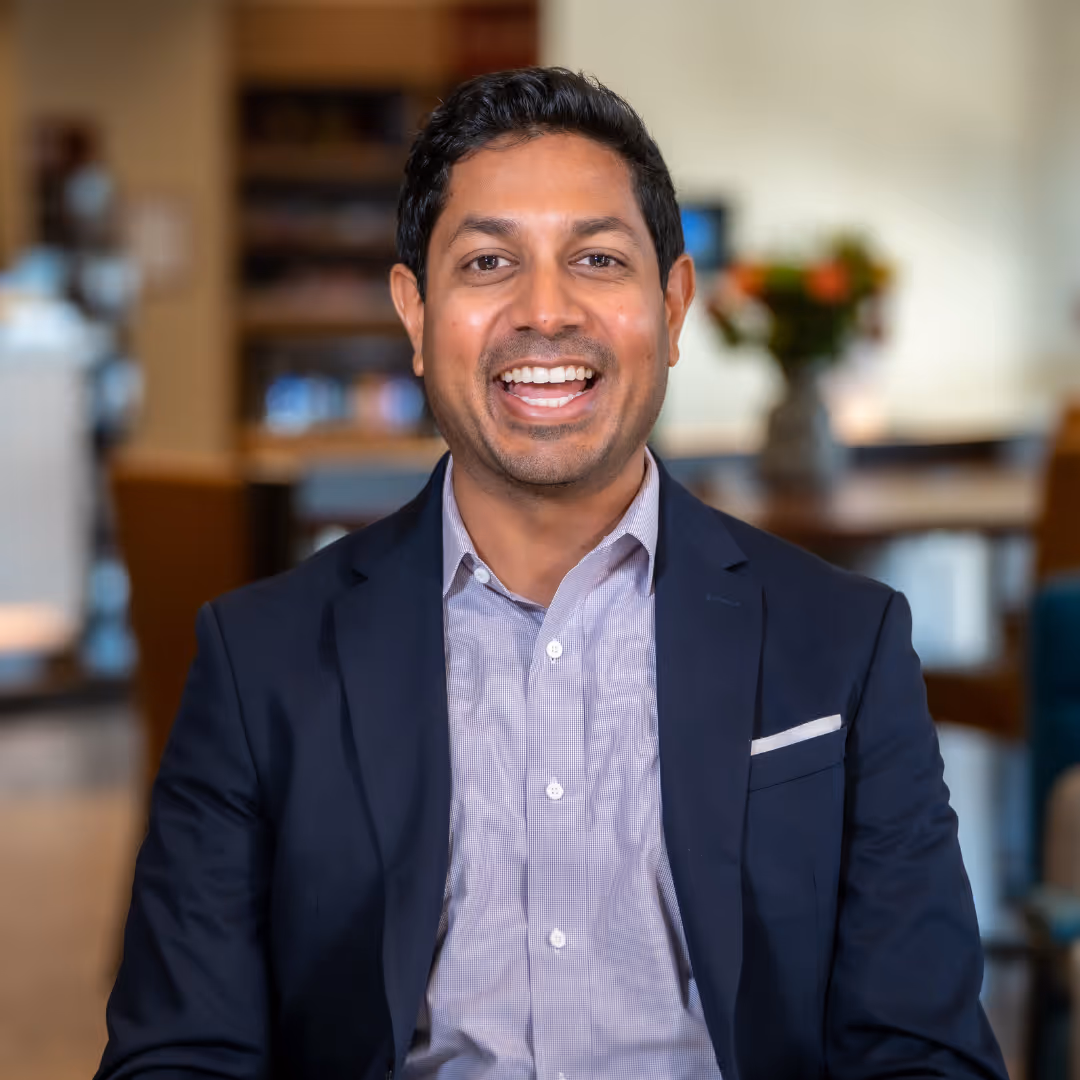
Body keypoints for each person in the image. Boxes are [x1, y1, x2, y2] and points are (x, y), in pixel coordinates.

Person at [97, 68, 1007, 1080]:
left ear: (672, 305)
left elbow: (924, 1053)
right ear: (415, 311)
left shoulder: (844, 642)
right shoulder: (258, 658)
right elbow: (178, 1056)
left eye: (598, 259)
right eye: (488, 261)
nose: (546, 311)